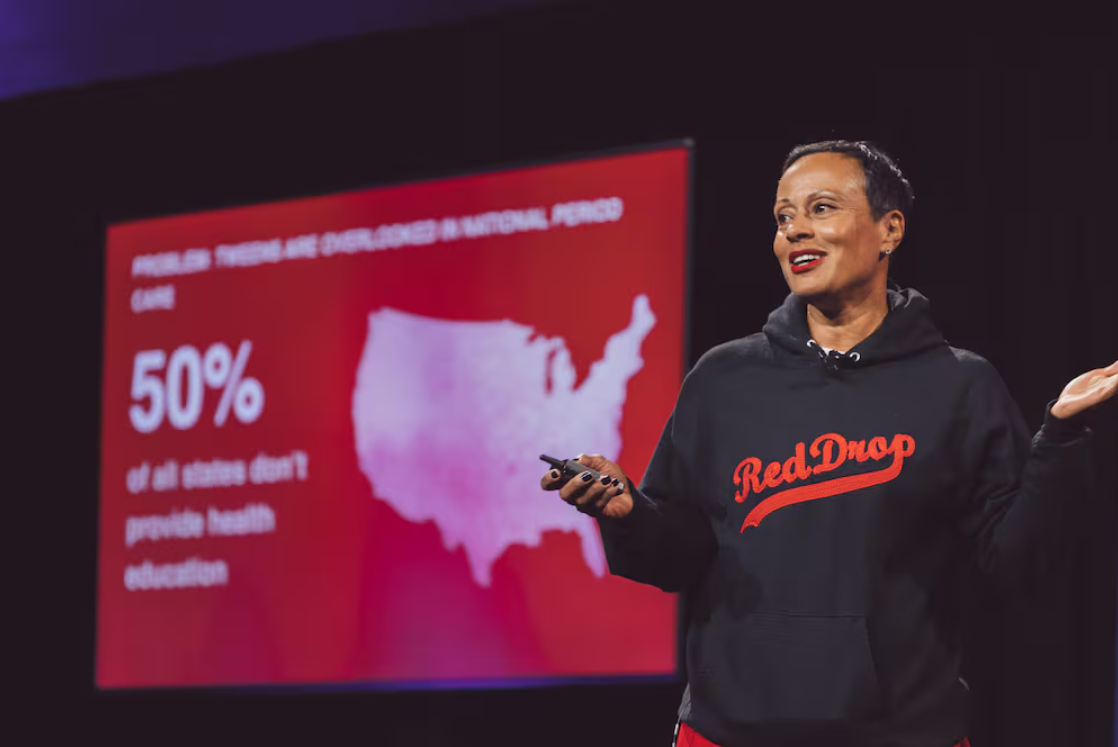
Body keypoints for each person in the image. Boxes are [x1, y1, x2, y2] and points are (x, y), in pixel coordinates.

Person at [540, 140, 1118, 747]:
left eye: (821, 208)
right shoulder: (722, 379)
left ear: (888, 229)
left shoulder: (959, 385)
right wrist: (627, 509)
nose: (794, 231)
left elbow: (1018, 563)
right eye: (783, 216)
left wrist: (1060, 435)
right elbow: (678, 554)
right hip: (726, 732)